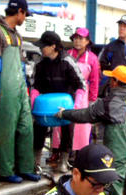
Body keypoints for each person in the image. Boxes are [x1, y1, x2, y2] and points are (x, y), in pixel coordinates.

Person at [57, 65, 126, 195]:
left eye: (111, 79)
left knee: (114, 190)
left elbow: (85, 114)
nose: (110, 81)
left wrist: (64, 113)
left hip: (116, 159)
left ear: (115, 82)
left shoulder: (108, 103)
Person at [0, 0, 38, 184]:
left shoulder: (17, 36)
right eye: (25, 15)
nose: (25, 18)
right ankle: (6, 170)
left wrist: (25, 89)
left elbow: (22, 66)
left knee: (26, 127)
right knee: (6, 130)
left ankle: (25, 168)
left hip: (20, 88)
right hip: (5, 90)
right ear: (19, 12)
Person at [32, 30, 85, 174]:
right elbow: (35, 86)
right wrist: (33, 101)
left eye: (44, 46)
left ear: (53, 46)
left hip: (65, 103)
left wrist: (75, 106)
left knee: (67, 129)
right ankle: (35, 161)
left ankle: (63, 160)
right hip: (46, 104)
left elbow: (81, 85)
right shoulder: (41, 64)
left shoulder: (67, 62)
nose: (41, 48)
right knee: (38, 128)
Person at [63, 27, 99, 153]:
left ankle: (79, 152)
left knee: (81, 125)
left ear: (87, 41)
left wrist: (92, 100)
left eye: (80, 38)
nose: (77, 41)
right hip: (66, 93)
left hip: (83, 94)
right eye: (75, 38)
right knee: (62, 121)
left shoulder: (93, 58)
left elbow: (95, 81)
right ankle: (61, 152)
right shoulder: (66, 54)